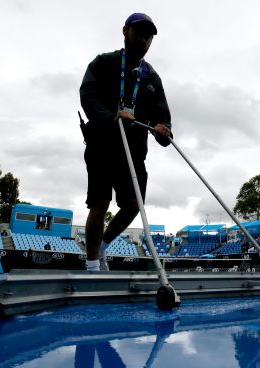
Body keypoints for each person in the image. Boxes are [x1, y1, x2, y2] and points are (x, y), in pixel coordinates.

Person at [79, 13, 172, 272]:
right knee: (100, 203)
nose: (144, 38)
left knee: (134, 205)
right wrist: (112, 117)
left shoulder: (152, 78)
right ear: (125, 31)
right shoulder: (104, 63)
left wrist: (164, 130)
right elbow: (87, 95)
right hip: (101, 145)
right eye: (138, 32)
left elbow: (162, 115)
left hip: (133, 151)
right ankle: (91, 265)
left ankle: (103, 248)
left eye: (149, 35)